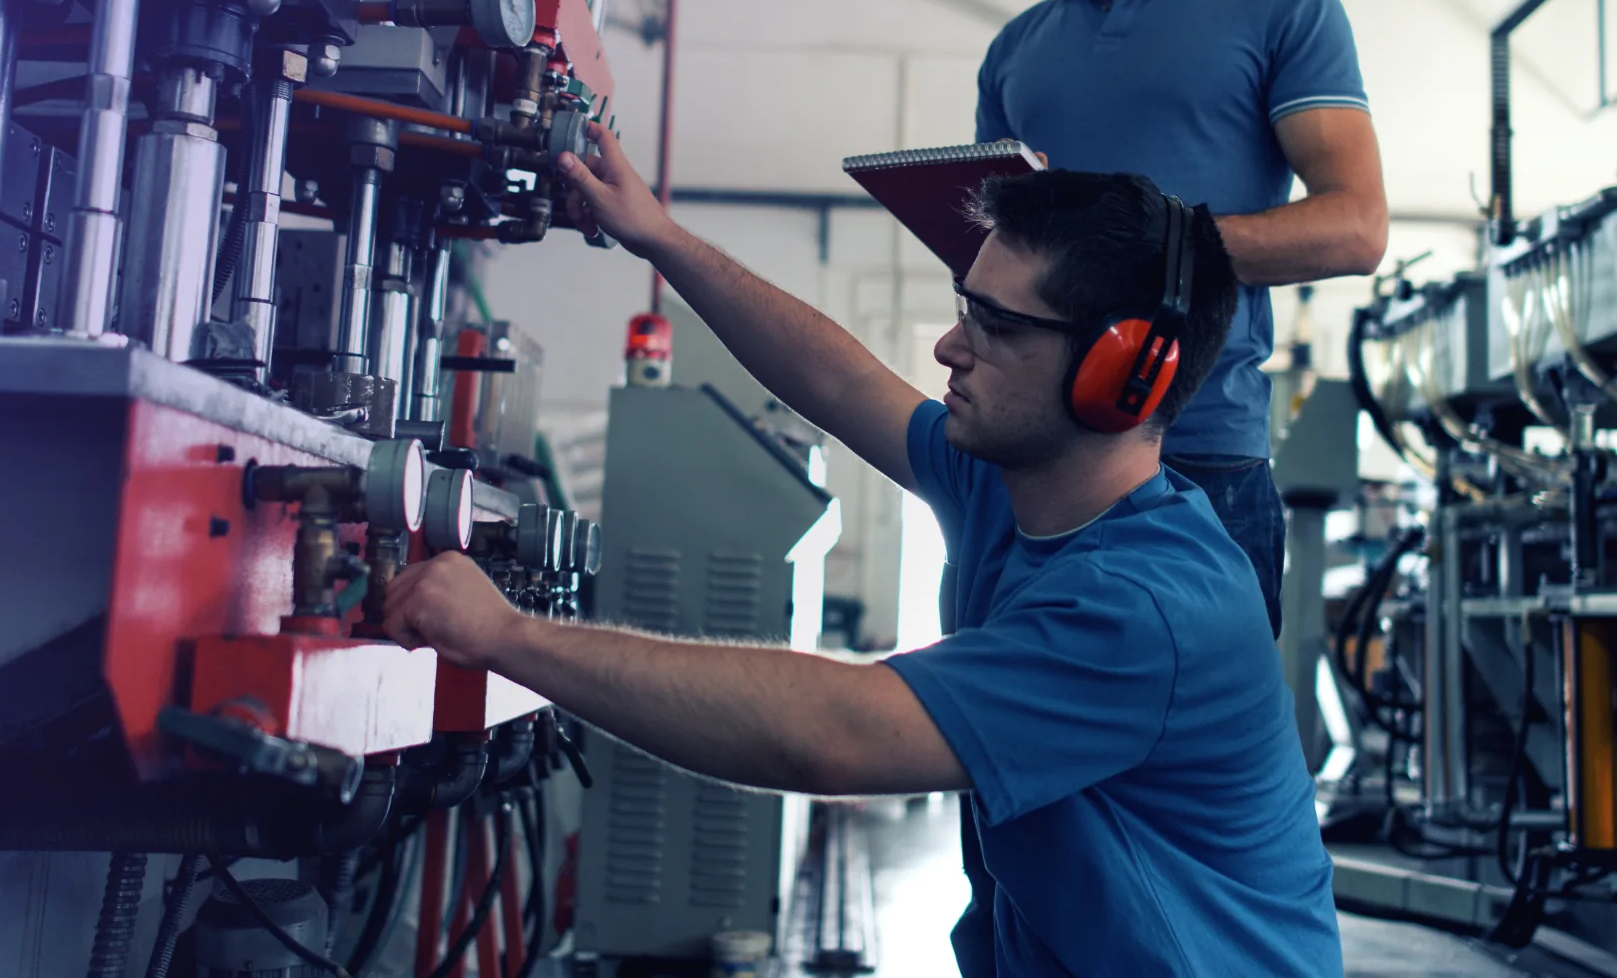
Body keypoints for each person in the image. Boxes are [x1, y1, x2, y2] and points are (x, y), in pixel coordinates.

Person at [385, 126, 1342, 978]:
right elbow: (842, 382)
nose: (950, 348)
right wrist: (659, 237)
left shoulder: (1148, 607)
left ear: (1122, 378)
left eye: (996, 325)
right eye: (966, 307)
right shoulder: (1011, 481)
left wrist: (506, 636)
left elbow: (832, 734)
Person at [971, 0, 1390, 638]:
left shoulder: (1282, 3)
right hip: (1031, 463)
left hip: (1202, 462)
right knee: (1009, 729)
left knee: (1202, 732)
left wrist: (1140, 257)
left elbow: (1355, 228)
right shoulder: (1016, 52)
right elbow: (987, 250)